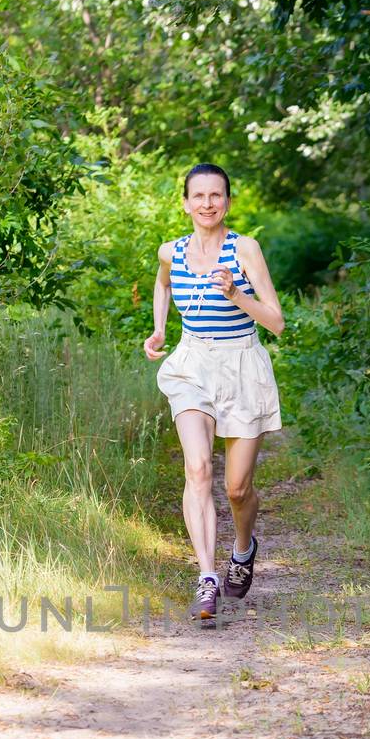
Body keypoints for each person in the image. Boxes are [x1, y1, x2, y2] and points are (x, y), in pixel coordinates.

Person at [144, 164, 285, 622]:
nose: (207, 203)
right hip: (192, 365)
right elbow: (162, 284)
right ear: (185, 202)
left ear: (228, 201)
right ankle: (207, 577)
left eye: (216, 196)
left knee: (237, 489)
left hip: (242, 366)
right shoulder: (171, 251)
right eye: (198, 196)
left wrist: (236, 294)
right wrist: (159, 329)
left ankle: (243, 550)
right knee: (198, 467)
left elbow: (276, 321)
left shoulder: (245, 249)